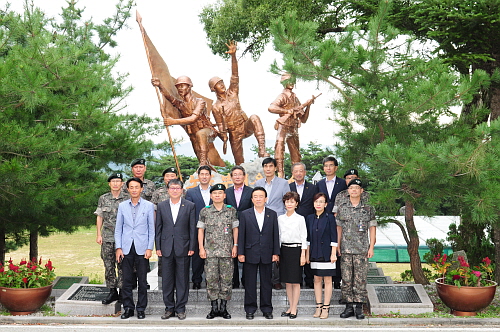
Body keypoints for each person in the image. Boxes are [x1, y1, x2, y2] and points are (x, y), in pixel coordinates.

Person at [209, 41, 268, 164]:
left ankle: (262, 150)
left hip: (244, 125)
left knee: (255, 118)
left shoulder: (232, 93)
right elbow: (220, 126)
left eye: (222, 82)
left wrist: (233, 56)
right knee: (239, 163)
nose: (222, 85)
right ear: (213, 89)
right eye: (219, 84)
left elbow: (235, 75)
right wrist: (223, 133)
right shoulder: (215, 107)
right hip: (234, 133)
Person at [152, 76, 223, 167]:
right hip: (193, 134)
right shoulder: (181, 104)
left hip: (207, 130)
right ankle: (206, 170)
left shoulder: (200, 102)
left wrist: (173, 122)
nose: (180, 89)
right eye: (178, 87)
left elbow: (193, 118)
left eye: (182, 86)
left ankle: (203, 165)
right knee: (199, 155)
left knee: (200, 135)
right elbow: (169, 97)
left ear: (189, 87)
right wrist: (160, 85)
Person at [155, 179, 196, 320]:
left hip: (183, 247)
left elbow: (192, 228)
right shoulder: (161, 205)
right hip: (166, 248)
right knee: (167, 280)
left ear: (182, 190)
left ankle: (180, 309)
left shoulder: (189, 206)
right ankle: (169, 308)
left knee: (182, 279)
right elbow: (158, 228)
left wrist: (192, 247)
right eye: (172, 188)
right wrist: (158, 247)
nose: (174, 190)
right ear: (168, 190)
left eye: (177, 188)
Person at [114, 178, 155, 320]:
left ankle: (141, 308)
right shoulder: (122, 206)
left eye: (136, 187)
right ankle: (128, 308)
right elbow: (118, 228)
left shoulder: (149, 206)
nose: (134, 190)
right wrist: (118, 247)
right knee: (126, 281)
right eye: (131, 187)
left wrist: (150, 248)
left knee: (142, 281)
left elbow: (152, 229)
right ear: (128, 189)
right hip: (126, 248)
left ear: (141, 188)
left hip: (142, 248)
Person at [336, 179, 376, 320]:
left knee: (360, 279)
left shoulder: (368, 208)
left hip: (362, 250)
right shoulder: (342, 207)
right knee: (346, 279)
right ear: (348, 191)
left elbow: (372, 228)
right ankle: (348, 307)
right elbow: (339, 228)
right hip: (346, 249)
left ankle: (359, 307)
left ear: (361, 191)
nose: (353, 190)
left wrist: (371, 247)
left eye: (356, 188)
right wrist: (337, 246)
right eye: (351, 188)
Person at [238, 187, 280, 320]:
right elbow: (241, 235)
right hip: (250, 252)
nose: (258, 199)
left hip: (267, 253)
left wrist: (276, 252)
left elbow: (275, 234)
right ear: (252, 199)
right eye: (255, 196)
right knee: (249, 283)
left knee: (266, 283)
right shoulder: (245, 214)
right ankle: (250, 309)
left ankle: (267, 308)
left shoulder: (272, 214)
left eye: (261, 196)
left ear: (265, 199)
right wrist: (241, 252)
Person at [198, 183, 239, 319]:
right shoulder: (205, 211)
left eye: (220, 193)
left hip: (227, 251)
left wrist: (235, 245)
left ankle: (224, 308)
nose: (217, 195)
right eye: (215, 193)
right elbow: (200, 230)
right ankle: (214, 308)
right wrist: (201, 248)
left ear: (224, 195)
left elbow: (235, 229)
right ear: (211, 196)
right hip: (210, 253)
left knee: (227, 280)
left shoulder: (231, 210)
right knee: (211, 280)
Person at [268, 73, 315, 176]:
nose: (292, 83)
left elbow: (303, 119)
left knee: (296, 155)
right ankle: (280, 173)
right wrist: (287, 111)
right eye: (289, 81)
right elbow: (271, 107)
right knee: (279, 147)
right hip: (284, 126)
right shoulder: (282, 96)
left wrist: (308, 106)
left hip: (294, 128)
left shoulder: (295, 98)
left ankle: (297, 176)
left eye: (293, 81)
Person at [94, 173, 129, 305]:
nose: (115, 183)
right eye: (113, 181)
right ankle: (112, 291)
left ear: (122, 183)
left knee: (122, 265)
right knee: (108, 265)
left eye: (118, 181)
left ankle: (122, 292)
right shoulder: (103, 198)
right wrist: (98, 234)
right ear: (109, 184)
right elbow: (100, 216)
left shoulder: (127, 198)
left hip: (123, 238)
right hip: (108, 237)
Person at [255, 157, 289, 289]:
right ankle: (265, 278)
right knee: (264, 247)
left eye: (270, 166)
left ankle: (276, 279)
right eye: (265, 166)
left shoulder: (283, 183)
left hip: (278, 220)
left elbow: (287, 201)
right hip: (261, 219)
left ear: (275, 168)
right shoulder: (258, 182)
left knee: (276, 248)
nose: (268, 169)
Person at [305, 192, 338, 320]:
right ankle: (318, 306)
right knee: (317, 280)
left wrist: (333, 253)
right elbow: (307, 238)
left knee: (328, 280)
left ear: (326, 204)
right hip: (314, 252)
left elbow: (334, 236)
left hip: (327, 253)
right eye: (316, 201)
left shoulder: (330, 217)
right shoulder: (309, 218)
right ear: (313, 203)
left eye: (321, 202)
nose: (318, 204)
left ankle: (326, 307)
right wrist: (307, 254)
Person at [316, 156, 346, 289]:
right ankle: (323, 277)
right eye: (326, 166)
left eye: (331, 165)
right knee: (324, 247)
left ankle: (337, 279)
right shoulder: (319, 184)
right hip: (323, 220)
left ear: (336, 167)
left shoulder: (343, 183)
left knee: (337, 248)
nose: (328, 168)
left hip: (338, 220)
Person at [278, 191, 307, 319]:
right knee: (287, 282)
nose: (289, 204)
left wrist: (303, 254)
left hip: (296, 250)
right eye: (287, 201)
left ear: (296, 204)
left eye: (292, 202)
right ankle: (290, 307)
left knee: (295, 282)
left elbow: (304, 237)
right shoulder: (280, 218)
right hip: (284, 250)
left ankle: (295, 308)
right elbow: (278, 237)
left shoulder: (300, 219)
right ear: (284, 203)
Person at [289, 162, 318, 289]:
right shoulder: (288, 187)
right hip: (292, 224)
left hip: (308, 222)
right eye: (296, 171)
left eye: (301, 171)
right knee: (295, 251)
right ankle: (296, 278)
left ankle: (309, 278)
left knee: (308, 249)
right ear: (292, 173)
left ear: (305, 172)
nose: (299, 173)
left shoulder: (312, 188)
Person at [224, 165, 253, 289]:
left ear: (244, 176)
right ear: (231, 177)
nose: (237, 177)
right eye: (235, 174)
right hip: (230, 229)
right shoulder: (226, 192)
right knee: (232, 255)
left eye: (240, 174)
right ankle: (234, 282)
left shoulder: (251, 191)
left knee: (246, 255)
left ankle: (246, 281)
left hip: (247, 228)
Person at [186, 165, 213, 289]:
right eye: (202, 174)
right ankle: (196, 279)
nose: (204, 176)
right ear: (198, 176)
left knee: (212, 256)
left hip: (214, 229)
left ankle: (210, 280)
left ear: (210, 176)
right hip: (197, 228)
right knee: (197, 256)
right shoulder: (191, 192)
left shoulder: (216, 191)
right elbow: (189, 212)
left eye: (206, 174)